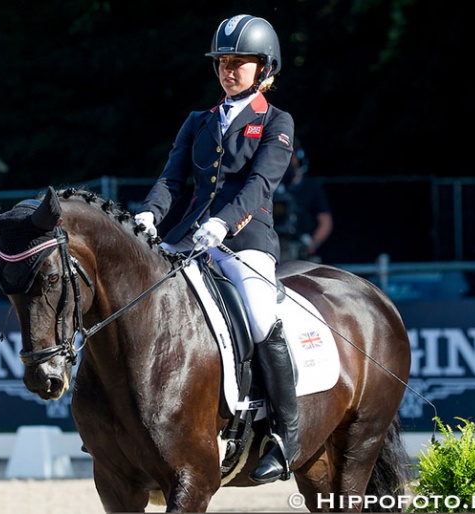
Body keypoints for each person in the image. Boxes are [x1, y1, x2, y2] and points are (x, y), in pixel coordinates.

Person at [134, 14, 299, 484]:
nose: (228, 70)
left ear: (265, 68)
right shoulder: (198, 121)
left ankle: (285, 436)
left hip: (246, 239)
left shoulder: (275, 121)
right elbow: (172, 177)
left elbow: (260, 184)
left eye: (239, 63)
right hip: (188, 235)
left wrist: (224, 224)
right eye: (223, 62)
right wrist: (150, 213)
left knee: (262, 315)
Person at [275, 138, 333, 262]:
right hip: (274, 245)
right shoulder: (271, 186)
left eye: (292, 154)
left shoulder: (312, 187)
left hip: (301, 247)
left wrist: (313, 243)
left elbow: (325, 221)